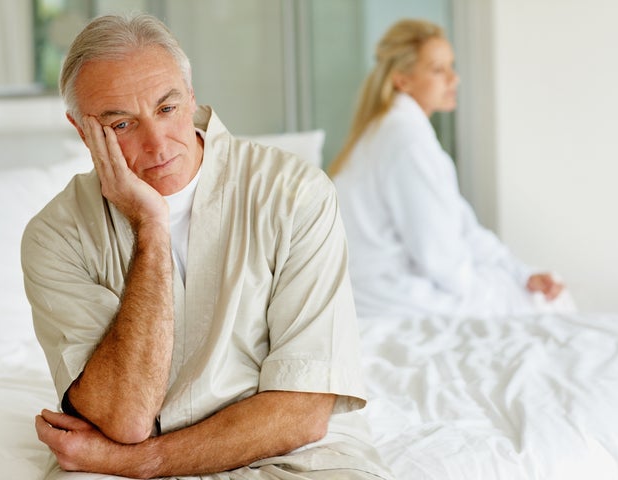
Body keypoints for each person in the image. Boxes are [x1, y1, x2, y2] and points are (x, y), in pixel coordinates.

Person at [21, 14, 392, 480]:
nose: (157, 145)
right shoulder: (55, 235)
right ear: (82, 131)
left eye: (167, 108)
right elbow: (124, 419)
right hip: (110, 466)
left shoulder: (295, 193)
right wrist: (150, 227)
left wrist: (143, 461)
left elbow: (305, 409)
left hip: (294, 453)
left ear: (191, 96)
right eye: (121, 124)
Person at [329, 19, 576, 319]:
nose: (454, 79)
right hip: (392, 296)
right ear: (402, 80)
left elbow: (461, 226)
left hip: (385, 289)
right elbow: (439, 258)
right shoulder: (406, 142)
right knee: (548, 303)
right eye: (438, 69)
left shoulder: (392, 131)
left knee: (533, 290)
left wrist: (521, 274)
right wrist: (486, 290)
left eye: (451, 66)